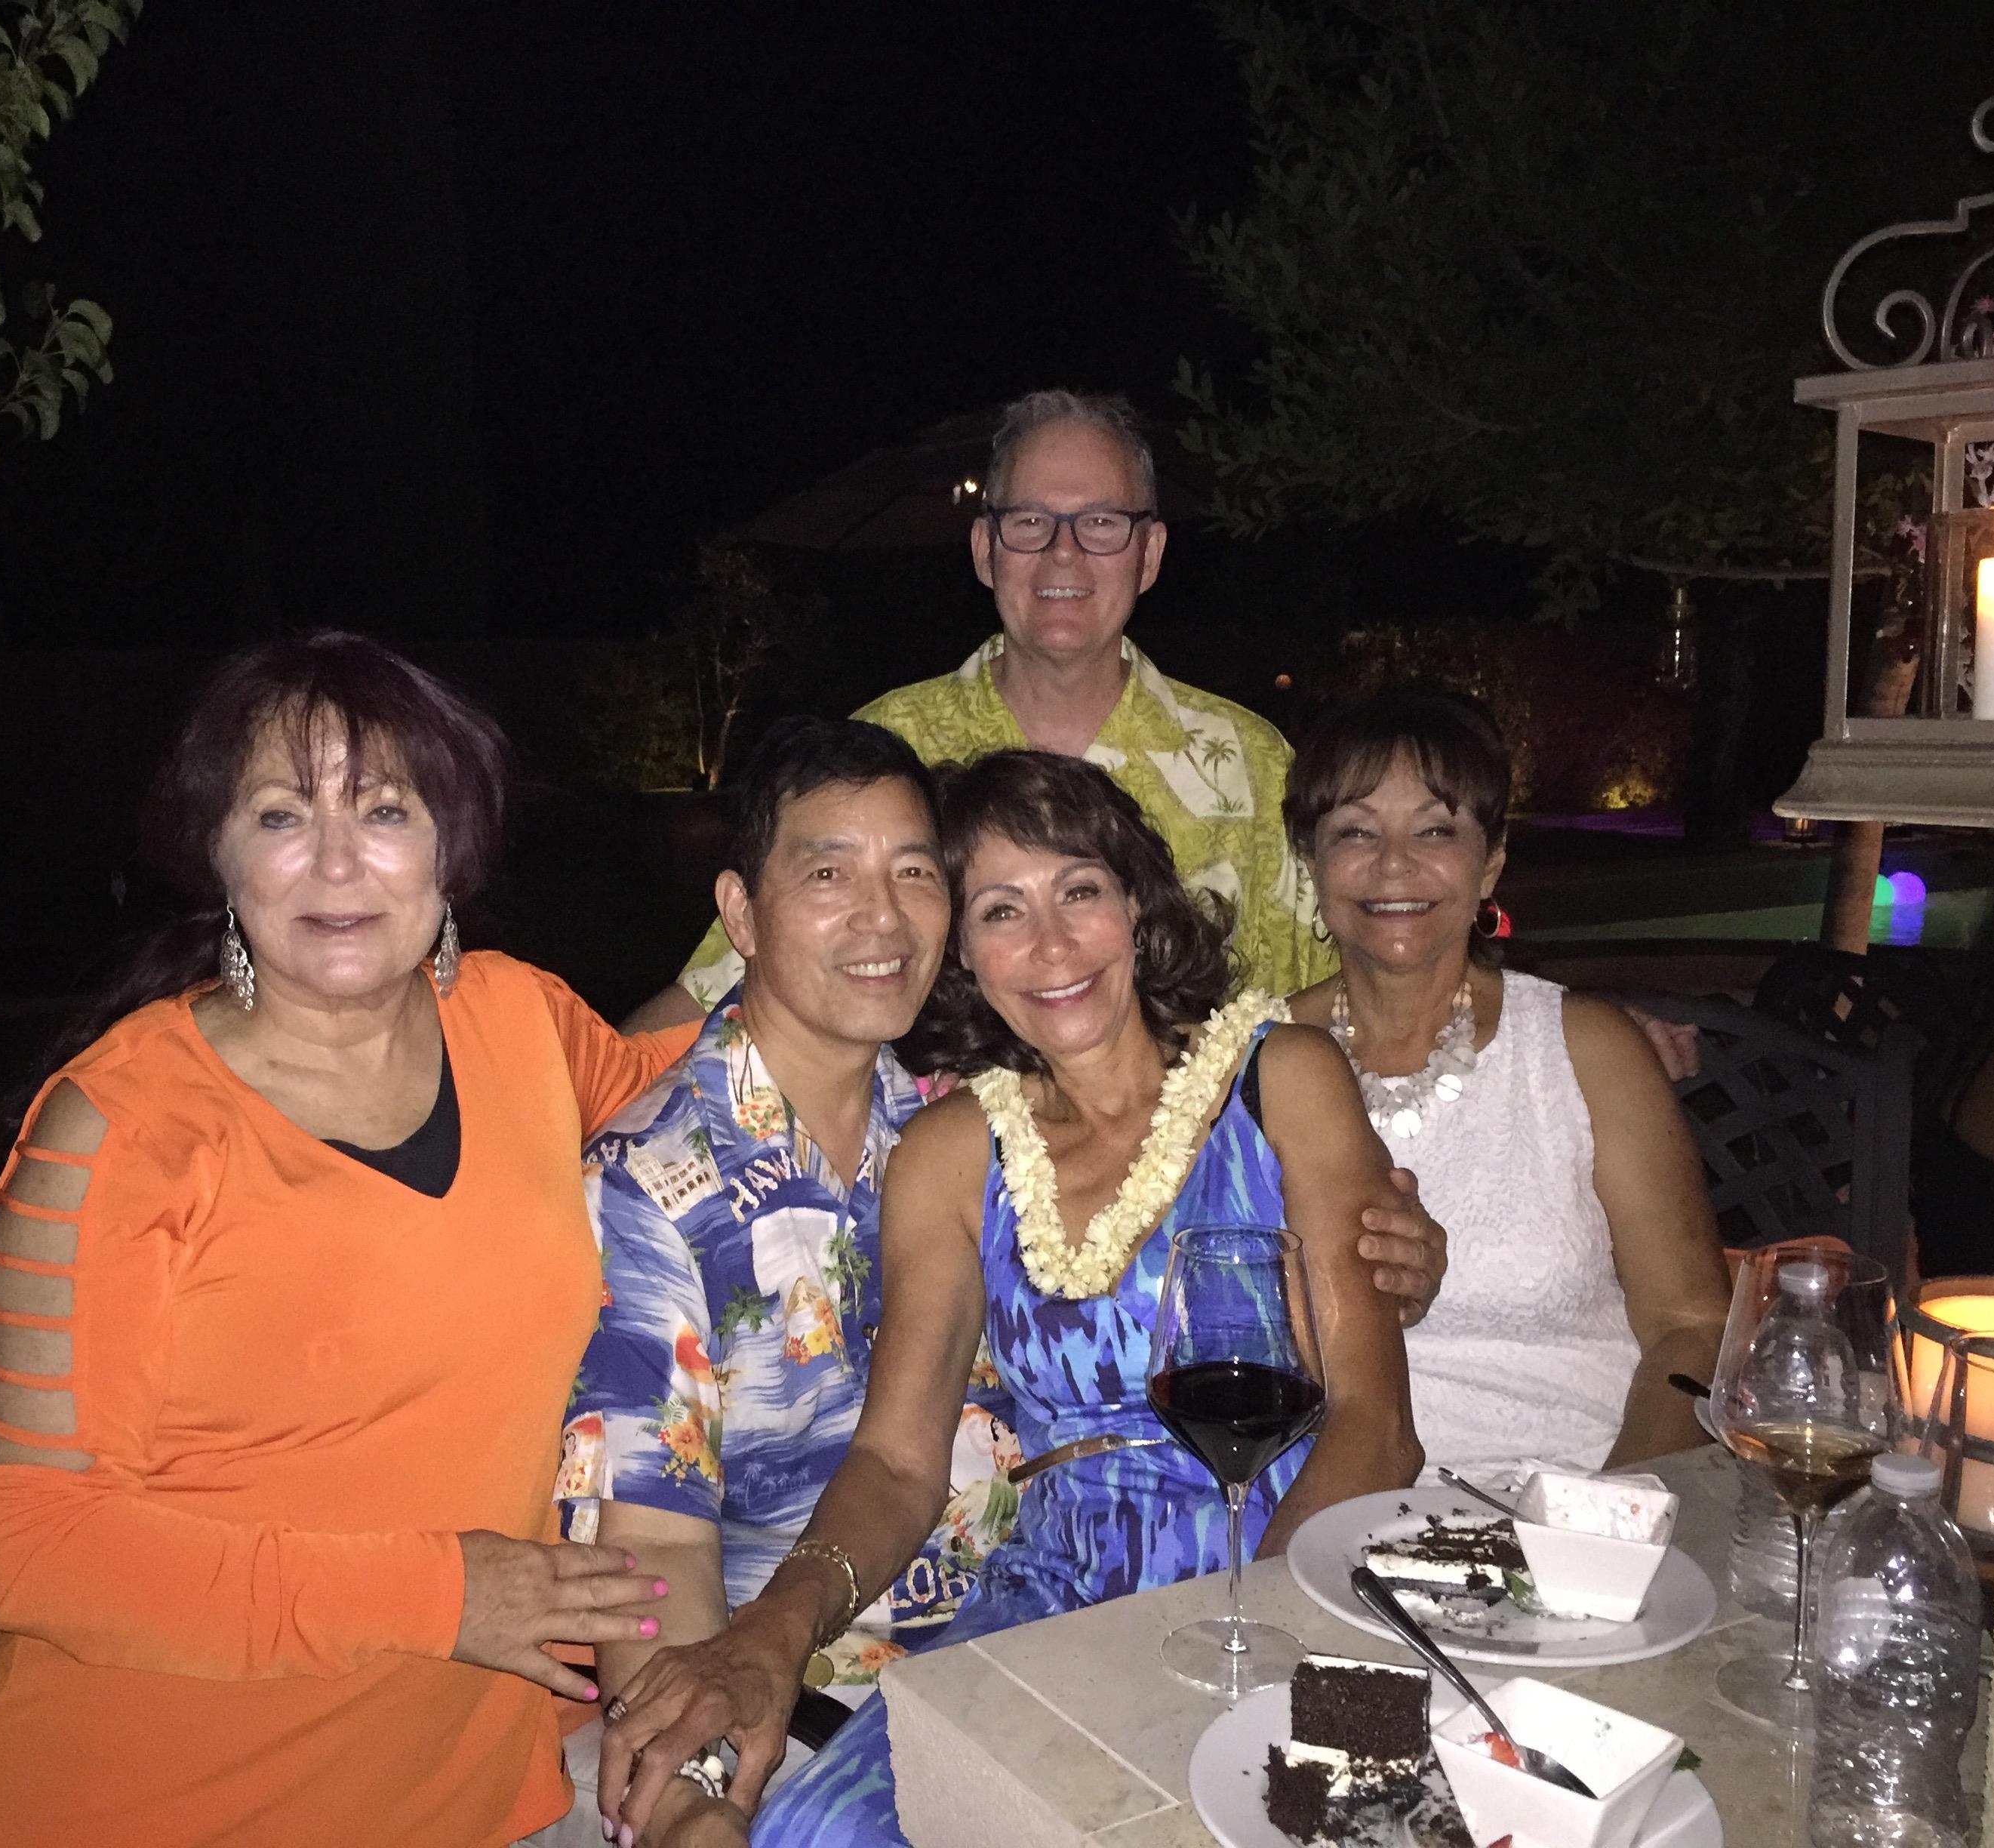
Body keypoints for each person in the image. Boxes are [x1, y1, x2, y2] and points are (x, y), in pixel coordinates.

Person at [0, 633, 694, 1848]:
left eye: (386, 810)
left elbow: (683, 1085)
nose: (337, 860)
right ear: (221, 855)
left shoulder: (521, 1023)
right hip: (158, 1802)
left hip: (471, 1792)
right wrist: (444, 1594)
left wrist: (811, 926)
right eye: (283, 814)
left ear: (450, 846)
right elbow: (41, 1553)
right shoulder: (118, 1134)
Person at [595, 750, 1423, 1848]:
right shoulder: (952, 1150)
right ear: (966, 955)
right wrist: (772, 1634)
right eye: (1000, 909)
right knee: (823, 1832)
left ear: (1135, 903)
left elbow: (1379, 1425)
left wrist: (1248, 1635)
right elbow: (896, 1457)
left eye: (1079, 890)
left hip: (1294, 1564)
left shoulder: (1288, 1079)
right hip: (1049, 1594)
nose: (1050, 945)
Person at [626, 389, 1334, 1033]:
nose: (1064, 554)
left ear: (1149, 555)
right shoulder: (890, 749)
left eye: (1102, 523)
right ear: (985, 550)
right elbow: (720, 990)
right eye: (1030, 522)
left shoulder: (1250, 762)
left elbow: (1337, 996)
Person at [1281, 689, 1733, 1483]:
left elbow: (1692, 1327)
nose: (1394, 864)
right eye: (1356, 831)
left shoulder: (1586, 1048)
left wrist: (1609, 1519)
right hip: (1328, 1510)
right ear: (1309, 859)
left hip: (1583, 1490)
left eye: (1435, 830)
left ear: (1490, 862)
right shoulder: (1251, 1060)